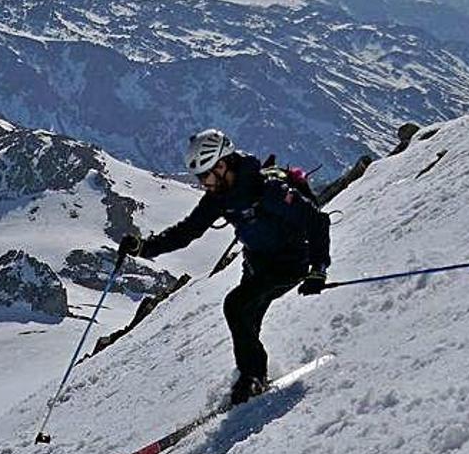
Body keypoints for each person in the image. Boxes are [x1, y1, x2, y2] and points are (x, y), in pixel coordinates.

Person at [118, 128, 331, 405]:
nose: (202, 183)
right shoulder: (220, 197)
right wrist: (144, 248)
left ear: (222, 165)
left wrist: (318, 269)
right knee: (246, 319)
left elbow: (316, 221)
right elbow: (187, 232)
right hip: (258, 263)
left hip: (291, 262)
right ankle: (253, 375)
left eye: (205, 175)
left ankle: (252, 377)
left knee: (235, 305)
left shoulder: (266, 190)